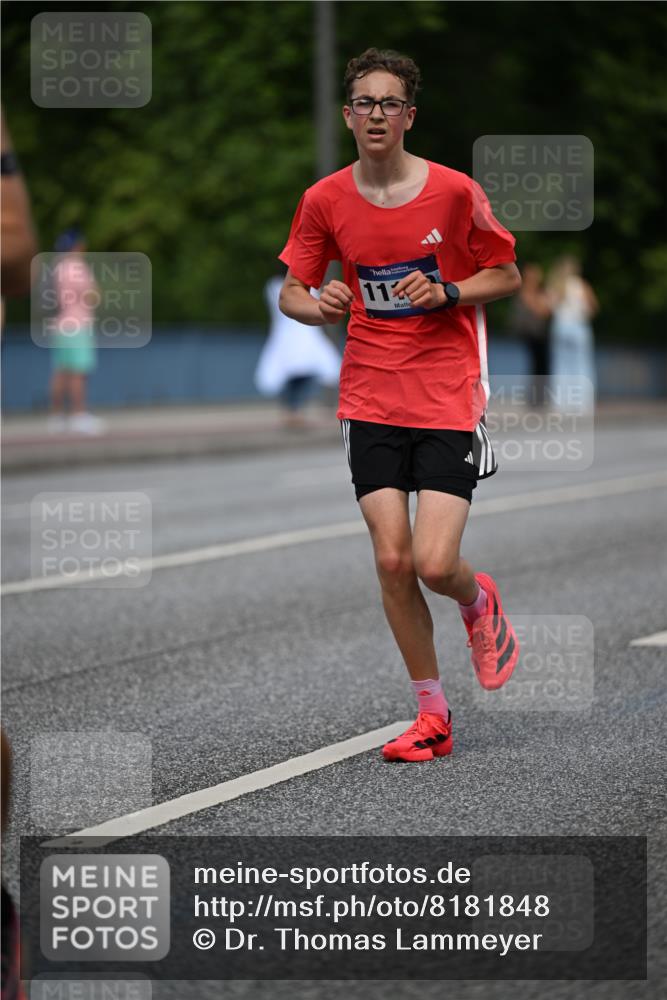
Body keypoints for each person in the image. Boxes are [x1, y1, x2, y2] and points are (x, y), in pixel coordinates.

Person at [279, 48, 522, 763]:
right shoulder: (325, 199)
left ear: (408, 116)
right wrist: (316, 304)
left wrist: (448, 291)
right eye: (363, 102)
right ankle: (432, 716)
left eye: (389, 103)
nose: (375, 114)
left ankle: (476, 601)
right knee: (391, 559)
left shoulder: (452, 193)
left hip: (446, 390)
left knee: (432, 562)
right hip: (370, 391)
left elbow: (505, 274)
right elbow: (293, 289)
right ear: (347, 115)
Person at [255, 264, 342, 428]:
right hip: (293, 335)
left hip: (301, 335)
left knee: (303, 373)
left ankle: (294, 409)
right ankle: (292, 409)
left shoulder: (274, 287)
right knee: (294, 375)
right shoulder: (276, 287)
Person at [48, 227, 105, 435]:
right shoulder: (77, 267)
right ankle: (78, 415)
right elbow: (93, 294)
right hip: (78, 325)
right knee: (79, 372)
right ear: (77, 246)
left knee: (61, 371)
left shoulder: (58, 267)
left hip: (61, 324)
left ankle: (55, 417)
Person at [547, 255, 598, 416]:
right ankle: (584, 404)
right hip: (578, 326)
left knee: (561, 366)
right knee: (582, 366)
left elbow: (549, 308)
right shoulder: (582, 286)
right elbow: (593, 307)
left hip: (560, 327)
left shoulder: (555, 285)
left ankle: (561, 404)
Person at [509, 262, 551, 407]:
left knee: (542, 366)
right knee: (535, 366)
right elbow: (542, 310)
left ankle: (540, 397)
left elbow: (546, 311)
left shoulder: (538, 292)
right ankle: (534, 398)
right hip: (530, 334)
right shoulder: (524, 292)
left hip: (540, 334)